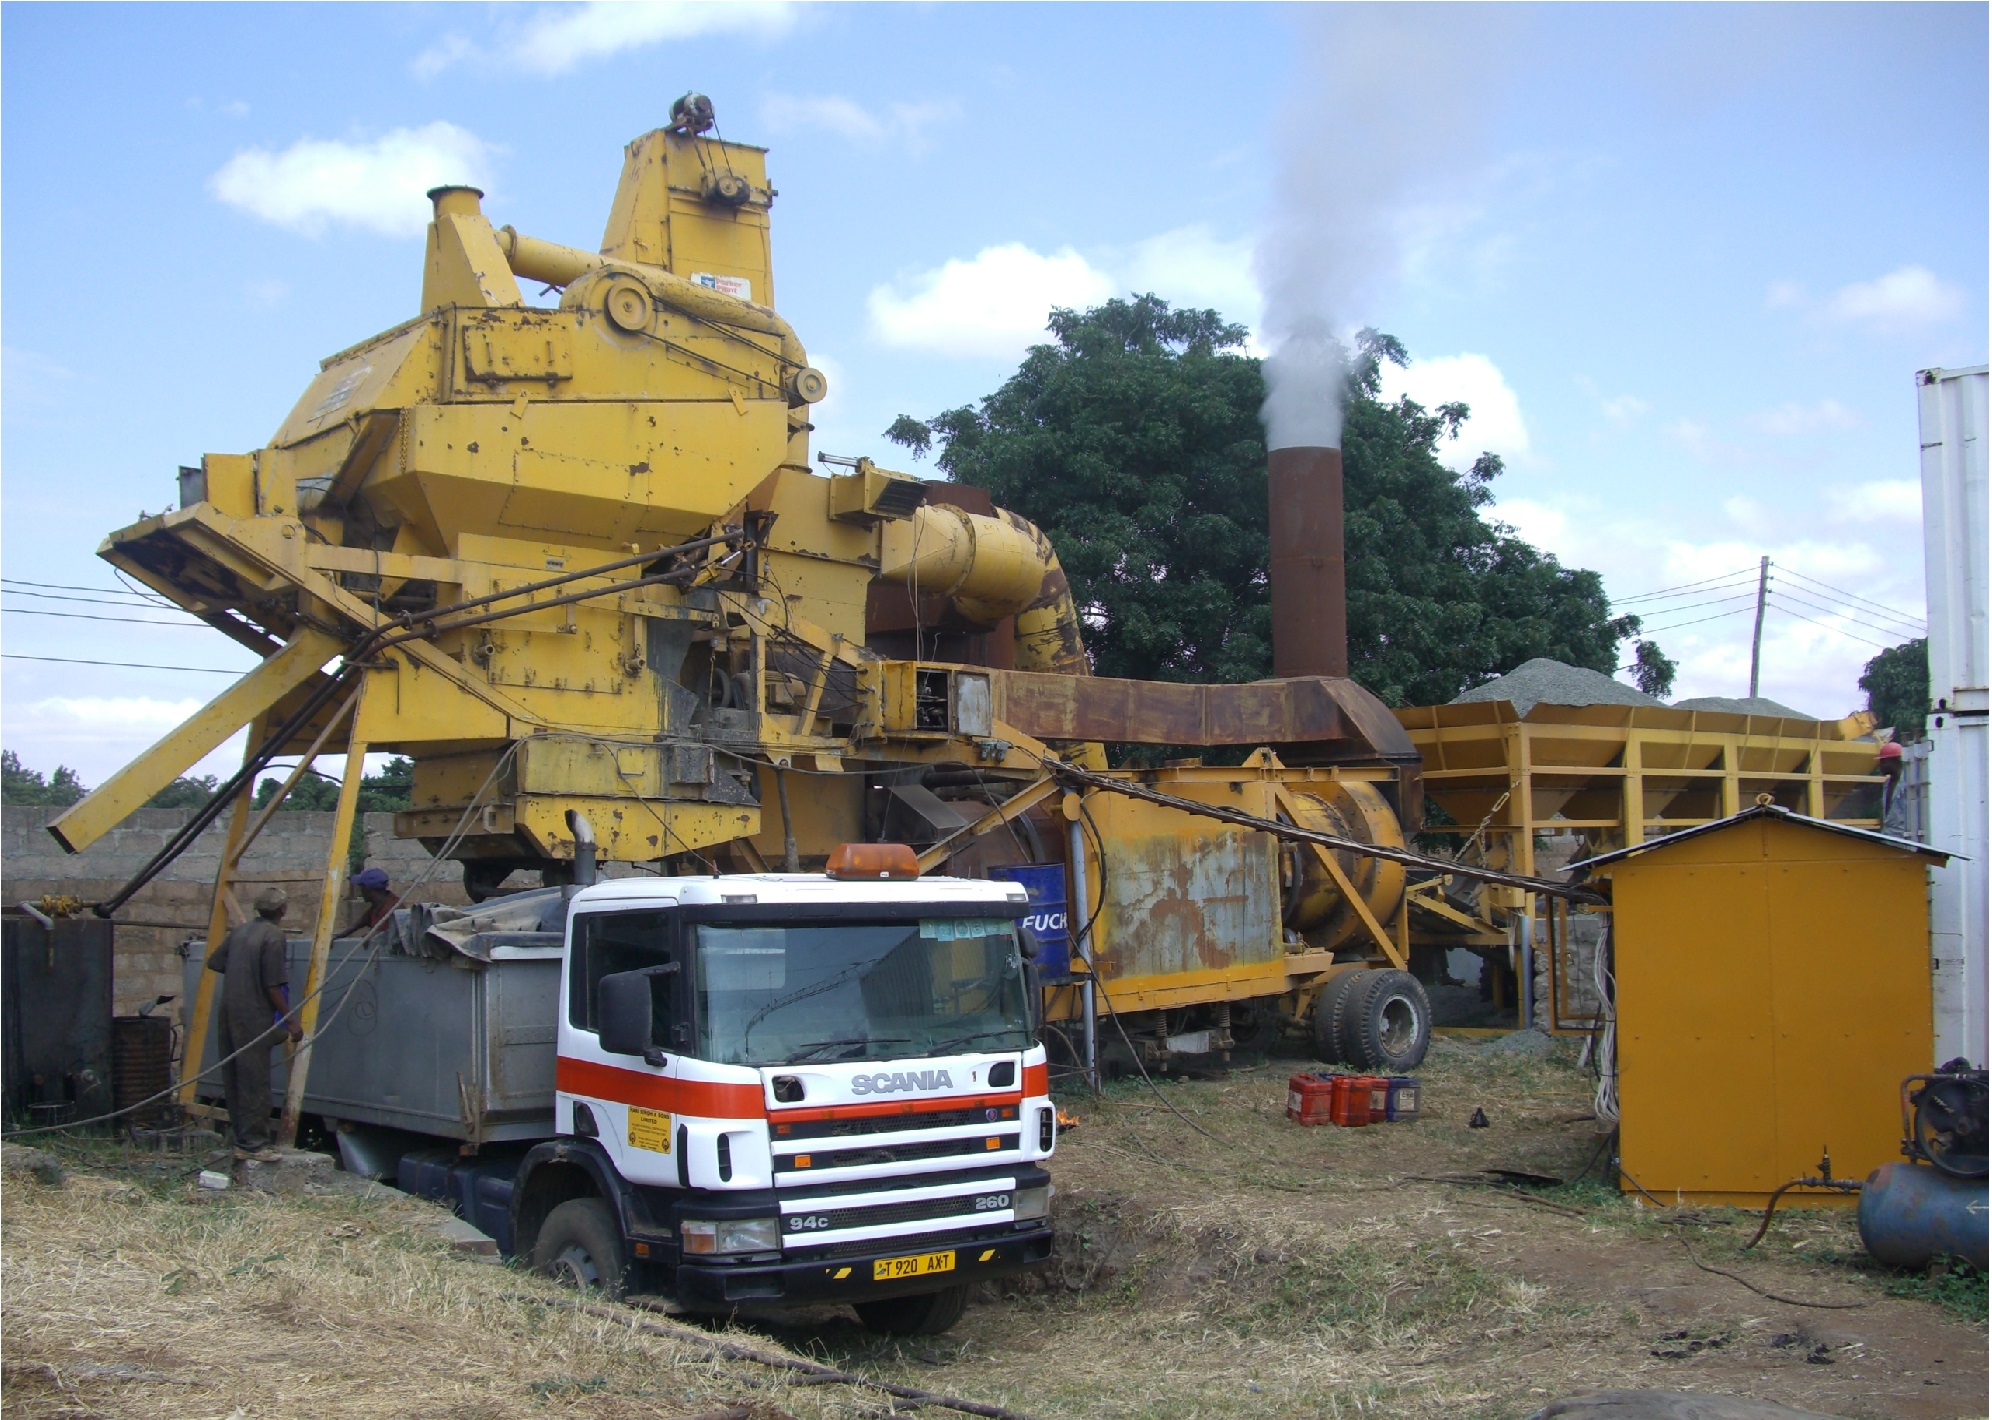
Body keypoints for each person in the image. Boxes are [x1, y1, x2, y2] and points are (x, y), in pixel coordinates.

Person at [205, 887, 300, 1162]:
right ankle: (255, 1144)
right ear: (283, 910)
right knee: (255, 1079)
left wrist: (241, 969)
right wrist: (290, 1020)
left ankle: (241, 1139)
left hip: (229, 1011)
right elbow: (272, 985)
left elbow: (215, 961)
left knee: (235, 1075)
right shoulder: (274, 936)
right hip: (253, 1014)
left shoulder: (240, 932)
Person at [352, 866, 395, 931]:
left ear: (367, 889)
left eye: (361, 887)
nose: (361, 891)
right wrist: (337, 935)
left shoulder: (391, 909)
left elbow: (381, 937)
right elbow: (359, 923)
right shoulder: (377, 905)